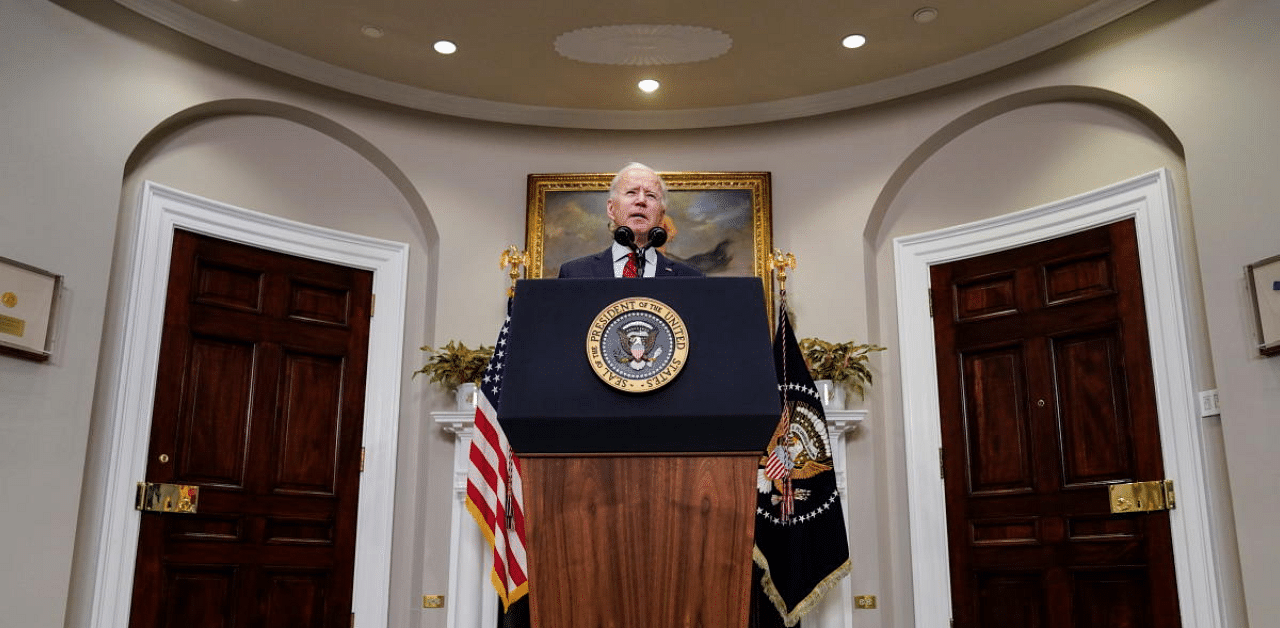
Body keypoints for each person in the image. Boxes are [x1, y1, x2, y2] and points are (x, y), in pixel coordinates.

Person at [558, 163, 703, 278]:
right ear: (611, 208)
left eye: (651, 195)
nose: (641, 201)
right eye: (631, 192)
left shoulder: (690, 278)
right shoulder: (574, 273)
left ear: (661, 215)